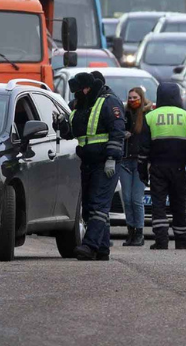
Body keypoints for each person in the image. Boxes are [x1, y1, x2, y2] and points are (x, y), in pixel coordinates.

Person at [58, 72, 125, 261]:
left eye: (79, 91)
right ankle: (102, 249)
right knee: (89, 207)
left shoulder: (109, 102)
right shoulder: (81, 104)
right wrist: (62, 125)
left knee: (98, 204)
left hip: (105, 162)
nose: (76, 95)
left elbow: (117, 131)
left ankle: (89, 246)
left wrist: (112, 157)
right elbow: (72, 132)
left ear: (88, 88)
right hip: (87, 161)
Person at [139, 82, 186, 250]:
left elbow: (143, 149)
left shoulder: (150, 116)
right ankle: (182, 240)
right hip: (179, 168)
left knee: (158, 204)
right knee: (179, 204)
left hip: (158, 167)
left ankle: (161, 240)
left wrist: (142, 171)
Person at [120, 87, 152, 247]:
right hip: (125, 160)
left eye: (135, 97)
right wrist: (122, 134)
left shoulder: (147, 115)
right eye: (130, 97)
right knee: (126, 198)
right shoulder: (123, 113)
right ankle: (130, 232)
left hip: (140, 162)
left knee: (136, 199)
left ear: (141, 98)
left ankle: (139, 232)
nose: (132, 100)